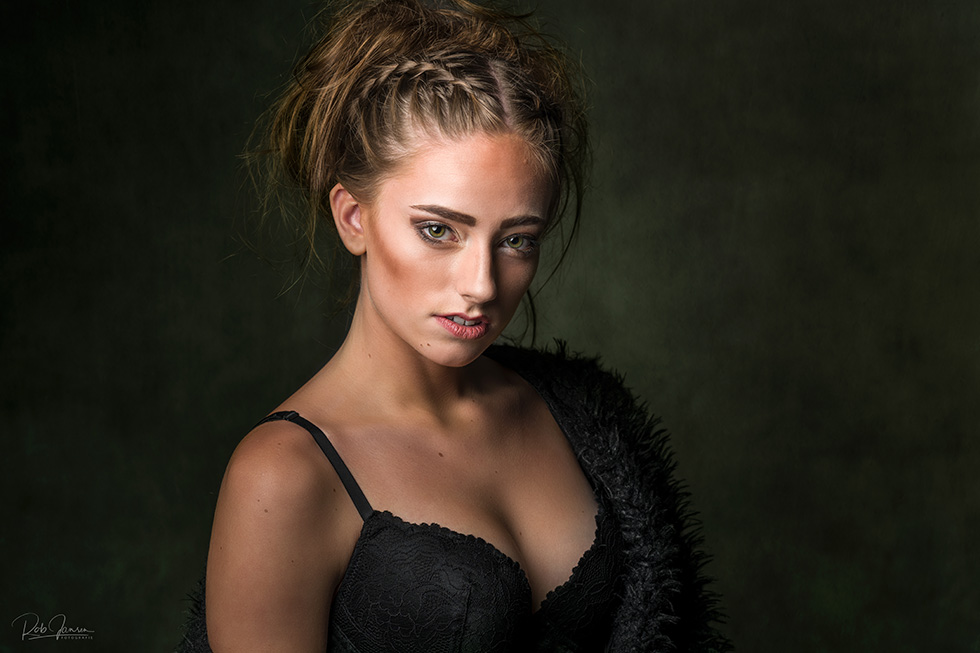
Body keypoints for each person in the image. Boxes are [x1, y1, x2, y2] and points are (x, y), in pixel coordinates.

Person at [179, 0, 731, 650]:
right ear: (354, 218)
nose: (481, 285)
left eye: (517, 240)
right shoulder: (282, 476)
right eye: (439, 230)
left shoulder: (583, 415)